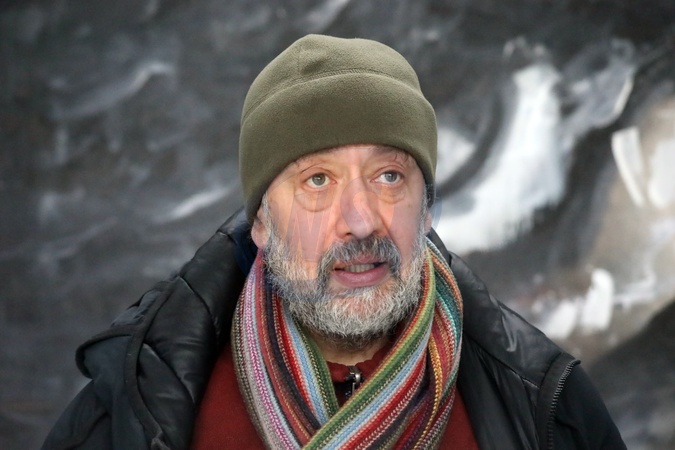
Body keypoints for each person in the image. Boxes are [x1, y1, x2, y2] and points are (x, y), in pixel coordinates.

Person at [42, 34, 625, 450]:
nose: (361, 221)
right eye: (317, 181)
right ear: (261, 222)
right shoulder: (136, 407)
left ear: (426, 209)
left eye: (389, 176)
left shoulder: (546, 404)